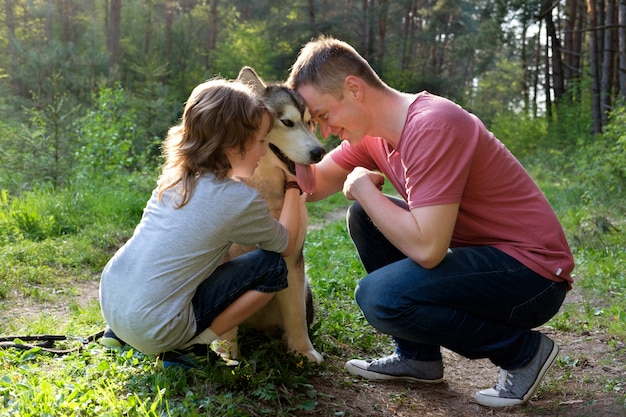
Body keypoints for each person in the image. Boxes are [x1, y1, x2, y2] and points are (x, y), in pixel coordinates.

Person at [286, 36, 574, 408]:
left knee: (380, 297)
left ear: (353, 89)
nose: (323, 131)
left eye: (323, 116)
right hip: (491, 261)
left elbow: (427, 249)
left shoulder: (433, 124)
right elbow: (313, 184)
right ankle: (418, 356)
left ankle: (522, 353)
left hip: (532, 277)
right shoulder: (374, 134)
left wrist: (363, 188)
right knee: (365, 217)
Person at [99, 78, 303, 368]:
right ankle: (191, 347)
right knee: (272, 267)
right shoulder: (238, 199)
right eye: (260, 142)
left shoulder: (176, 177)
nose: (262, 151)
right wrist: (294, 186)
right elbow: (286, 244)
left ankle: (119, 335)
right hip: (157, 327)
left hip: (113, 303)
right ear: (235, 145)